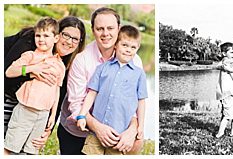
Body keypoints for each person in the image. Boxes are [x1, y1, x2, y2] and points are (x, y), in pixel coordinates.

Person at [65, 7, 144, 155]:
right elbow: (76, 105)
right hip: (78, 131)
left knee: (137, 143)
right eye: (100, 28)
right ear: (93, 30)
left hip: (115, 128)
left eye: (110, 28)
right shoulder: (82, 60)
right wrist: (97, 128)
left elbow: (133, 100)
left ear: (118, 29)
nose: (105, 33)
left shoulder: (133, 60)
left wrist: (133, 129)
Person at [3, 17, 65, 155]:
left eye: (46, 35)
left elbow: (57, 90)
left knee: (32, 151)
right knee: (10, 147)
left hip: (43, 115)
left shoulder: (59, 64)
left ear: (56, 38)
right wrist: (32, 69)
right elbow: (9, 72)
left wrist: (52, 114)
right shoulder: (29, 56)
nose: (41, 39)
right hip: (25, 111)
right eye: (38, 35)